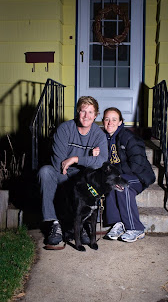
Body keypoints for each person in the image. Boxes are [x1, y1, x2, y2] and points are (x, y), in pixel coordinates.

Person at [38, 96, 108, 246]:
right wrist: (89, 156)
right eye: (83, 111)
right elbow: (59, 162)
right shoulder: (64, 129)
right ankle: (54, 224)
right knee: (45, 172)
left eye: (90, 112)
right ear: (78, 112)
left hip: (82, 176)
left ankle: (80, 224)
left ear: (96, 115)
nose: (86, 116)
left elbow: (102, 162)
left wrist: (76, 159)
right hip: (62, 172)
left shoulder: (99, 135)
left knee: (87, 182)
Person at [102, 107, 155, 243]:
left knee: (121, 185)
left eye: (114, 119)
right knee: (110, 183)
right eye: (107, 119)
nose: (110, 122)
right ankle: (118, 223)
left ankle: (136, 228)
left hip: (139, 176)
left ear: (120, 122)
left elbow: (136, 164)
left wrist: (114, 172)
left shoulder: (129, 137)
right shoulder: (104, 138)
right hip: (122, 174)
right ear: (103, 121)